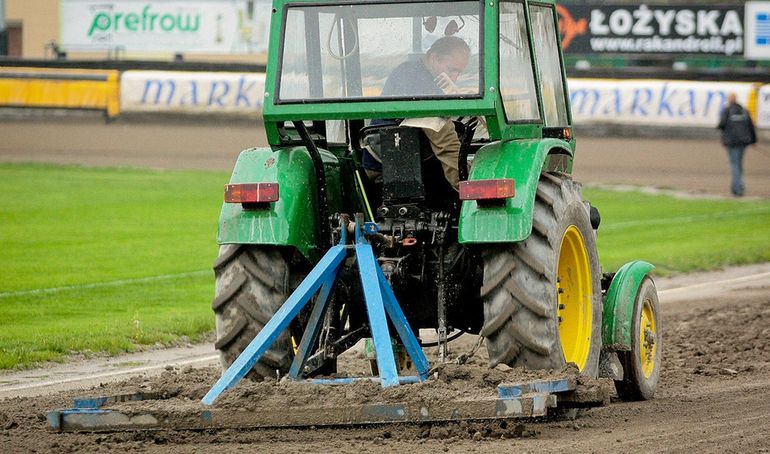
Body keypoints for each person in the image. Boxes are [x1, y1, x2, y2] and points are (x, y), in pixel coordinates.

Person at [363, 36, 471, 191]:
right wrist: (467, 189)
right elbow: (444, 141)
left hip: (398, 159)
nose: (454, 78)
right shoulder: (418, 84)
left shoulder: (413, 72)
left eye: (459, 73)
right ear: (434, 58)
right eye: (452, 70)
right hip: (386, 166)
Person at [718, 93, 757, 197]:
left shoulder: (727, 110)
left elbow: (721, 124)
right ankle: (736, 188)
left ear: (729, 100)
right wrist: (753, 140)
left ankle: (738, 188)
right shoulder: (744, 110)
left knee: (734, 164)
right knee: (738, 164)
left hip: (731, 141)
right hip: (743, 142)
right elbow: (751, 126)